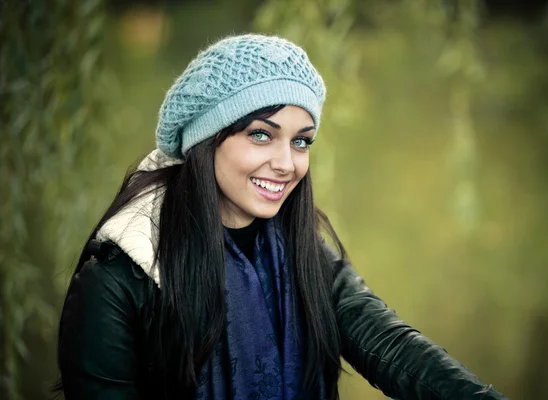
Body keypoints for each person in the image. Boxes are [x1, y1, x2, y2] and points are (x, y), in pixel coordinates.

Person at [57, 34, 507, 400]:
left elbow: (390, 346)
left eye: (301, 141)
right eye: (260, 135)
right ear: (206, 140)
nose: (287, 163)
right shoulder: (120, 279)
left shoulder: (303, 251)